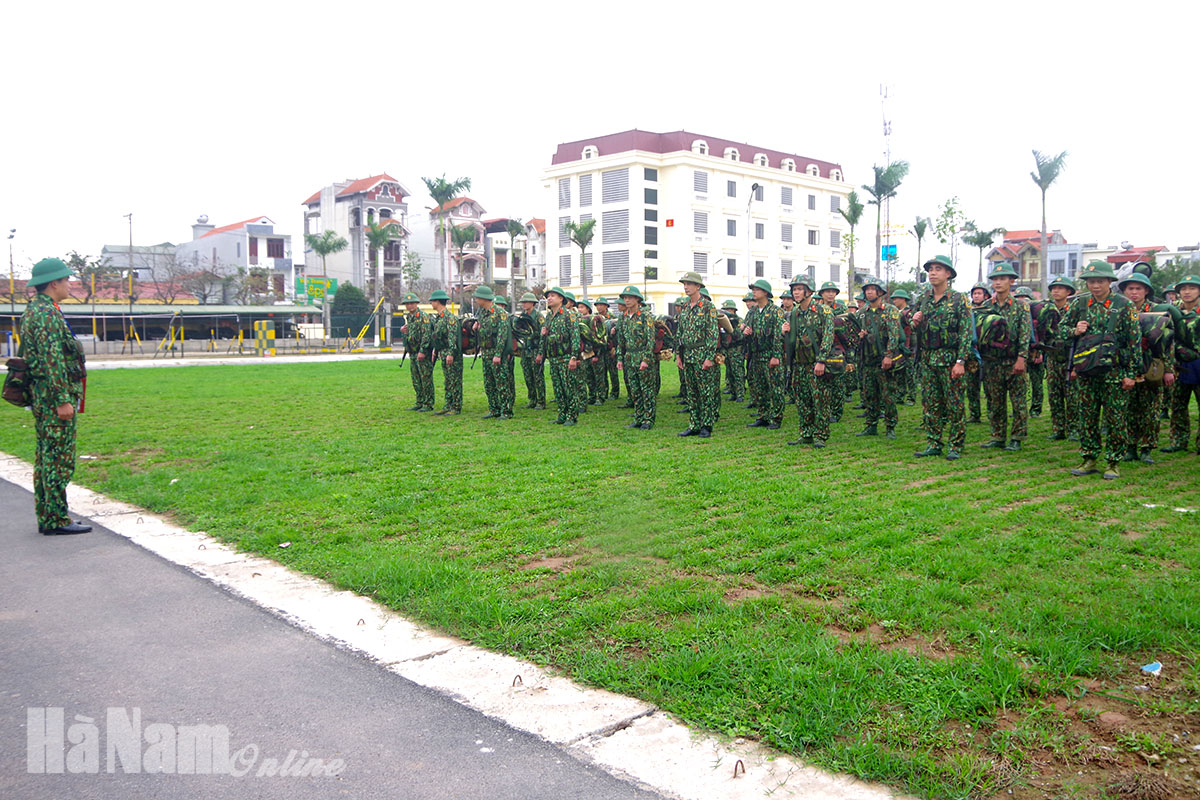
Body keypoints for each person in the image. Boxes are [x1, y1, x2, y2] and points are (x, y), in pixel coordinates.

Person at [20, 258, 92, 535]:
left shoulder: (36, 310)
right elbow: (52, 361)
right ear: (54, 283)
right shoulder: (46, 314)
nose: (69, 284)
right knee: (57, 460)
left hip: (43, 396)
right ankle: (55, 520)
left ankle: (51, 515)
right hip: (53, 399)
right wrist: (62, 400)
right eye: (66, 280)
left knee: (46, 458)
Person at [1059, 260, 1140, 480]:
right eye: (1091, 281)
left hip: (1114, 372)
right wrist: (1074, 330)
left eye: (1100, 281)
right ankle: (1089, 458)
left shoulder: (1124, 305)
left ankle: (1113, 462)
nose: (1095, 286)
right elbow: (1060, 330)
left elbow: (1134, 342)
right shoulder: (1080, 304)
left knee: (1115, 419)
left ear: (1109, 282)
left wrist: (1131, 374)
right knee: (1088, 417)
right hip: (1087, 372)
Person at [911, 255, 971, 460]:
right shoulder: (924, 298)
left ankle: (956, 445)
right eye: (930, 269)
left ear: (948, 274)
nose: (933, 273)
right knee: (930, 403)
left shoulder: (958, 299)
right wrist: (914, 320)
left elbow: (966, 332)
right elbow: (913, 324)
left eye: (938, 269)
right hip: (928, 359)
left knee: (954, 404)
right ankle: (934, 442)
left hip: (949, 359)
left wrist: (961, 361)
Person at [1119, 273, 1174, 463]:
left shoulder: (1158, 311)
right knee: (1128, 408)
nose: (1134, 293)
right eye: (1130, 289)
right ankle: (1130, 447)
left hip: (1153, 364)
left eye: (1138, 288)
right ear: (1124, 291)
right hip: (1127, 366)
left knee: (1151, 408)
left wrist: (1168, 370)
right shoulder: (1119, 310)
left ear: (1146, 291)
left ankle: (1146, 448)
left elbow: (1167, 343)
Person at [978, 262, 1032, 452]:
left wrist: (1022, 358)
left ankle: (1017, 437)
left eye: (1002, 279)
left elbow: (1025, 334)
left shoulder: (1020, 306)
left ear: (1012, 281)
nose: (998, 283)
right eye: (995, 279)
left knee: (1018, 401)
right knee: (995, 400)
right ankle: (998, 435)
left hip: (1012, 360)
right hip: (992, 361)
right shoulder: (985, 306)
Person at [782, 275, 835, 448]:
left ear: (809, 291)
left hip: (816, 362)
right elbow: (792, 340)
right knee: (802, 400)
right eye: (794, 289)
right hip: (800, 363)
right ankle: (806, 433)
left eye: (799, 289)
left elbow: (828, 337)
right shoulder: (795, 313)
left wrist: (821, 360)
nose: (795, 292)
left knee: (820, 400)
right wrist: (785, 332)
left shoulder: (823, 311)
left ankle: (821, 434)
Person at [854, 276, 903, 438]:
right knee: (870, 395)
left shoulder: (890, 310)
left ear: (880, 292)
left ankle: (890, 427)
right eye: (867, 290)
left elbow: (894, 335)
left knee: (887, 395)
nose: (869, 292)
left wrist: (889, 356)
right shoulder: (863, 313)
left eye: (872, 289)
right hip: (868, 360)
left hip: (884, 360)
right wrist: (861, 336)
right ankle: (871, 425)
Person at [675, 272, 720, 437]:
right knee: (692, 392)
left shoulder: (708, 307)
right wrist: (679, 355)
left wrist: (709, 357)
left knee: (705, 391)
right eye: (684, 284)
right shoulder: (685, 306)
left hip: (702, 354)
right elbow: (679, 333)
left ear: (698, 286)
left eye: (689, 284)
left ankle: (706, 425)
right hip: (688, 354)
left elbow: (712, 334)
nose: (686, 287)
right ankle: (694, 424)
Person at [1163, 274, 1200, 454]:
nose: (1187, 292)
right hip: (1178, 363)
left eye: (1192, 288)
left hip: (1198, 361)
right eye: (1183, 289)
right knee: (1177, 404)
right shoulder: (1172, 310)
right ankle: (1178, 440)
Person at [1038, 277, 1077, 440]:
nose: (1056, 291)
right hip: (1053, 357)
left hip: (1071, 357)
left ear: (1068, 292)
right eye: (1054, 288)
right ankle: (1058, 428)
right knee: (1054, 394)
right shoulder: (1047, 310)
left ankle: (1074, 428)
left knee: (1073, 395)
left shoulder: (1074, 310)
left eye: (1060, 288)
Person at [744, 279, 785, 430]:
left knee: (775, 388)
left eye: (757, 289)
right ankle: (763, 416)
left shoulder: (775, 311)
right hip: (756, 354)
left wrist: (776, 356)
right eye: (753, 289)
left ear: (766, 293)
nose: (754, 292)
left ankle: (777, 418)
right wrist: (745, 332)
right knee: (760, 388)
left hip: (770, 354)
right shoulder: (752, 312)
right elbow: (745, 328)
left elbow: (778, 335)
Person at [538, 287, 581, 425]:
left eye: (552, 296)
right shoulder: (549, 316)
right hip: (554, 358)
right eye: (548, 296)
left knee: (569, 388)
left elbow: (575, 336)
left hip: (566, 357)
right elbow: (545, 337)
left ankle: (571, 416)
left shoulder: (569, 315)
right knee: (558, 389)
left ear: (561, 298)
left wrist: (574, 357)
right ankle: (562, 414)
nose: (549, 298)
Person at [616, 285, 657, 429]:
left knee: (647, 389)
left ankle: (648, 419)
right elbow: (621, 340)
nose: (627, 300)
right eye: (625, 298)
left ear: (637, 299)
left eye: (630, 298)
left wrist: (646, 359)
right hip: (629, 356)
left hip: (642, 355)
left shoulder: (645, 315)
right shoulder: (623, 317)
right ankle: (638, 417)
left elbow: (651, 339)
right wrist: (620, 358)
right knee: (634, 389)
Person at [473, 285, 514, 419]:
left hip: (497, 354)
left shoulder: (499, 313)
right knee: (489, 384)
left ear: (484, 298)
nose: (476, 300)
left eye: (477, 297)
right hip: (486, 353)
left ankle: (506, 411)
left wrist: (498, 354)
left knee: (501, 383)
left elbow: (502, 335)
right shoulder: (482, 313)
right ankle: (494, 409)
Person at [429, 289, 462, 415]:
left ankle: (456, 406)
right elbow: (438, 337)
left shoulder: (450, 318)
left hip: (451, 354)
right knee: (447, 380)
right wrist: (435, 351)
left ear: (438, 302)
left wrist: (451, 353)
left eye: (432, 301)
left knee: (454, 380)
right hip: (443, 353)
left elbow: (452, 337)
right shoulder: (439, 318)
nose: (431, 303)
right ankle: (448, 404)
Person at [401, 292, 435, 412]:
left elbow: (427, 335)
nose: (409, 306)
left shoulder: (423, 317)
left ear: (416, 304)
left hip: (422, 353)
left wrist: (423, 350)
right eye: (407, 304)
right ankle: (419, 401)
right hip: (413, 352)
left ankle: (428, 403)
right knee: (416, 378)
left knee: (425, 378)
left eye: (412, 303)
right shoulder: (409, 318)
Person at [1014, 286, 1045, 418]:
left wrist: (1041, 352)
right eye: (1019, 298)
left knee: (1037, 382)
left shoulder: (1039, 314)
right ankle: (1021, 409)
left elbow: (1043, 334)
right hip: (1021, 354)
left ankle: (1036, 409)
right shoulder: (1015, 315)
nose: (1022, 301)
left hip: (1036, 352)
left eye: (1024, 298)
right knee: (1020, 383)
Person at [515, 292, 546, 409]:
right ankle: (532, 399)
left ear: (532, 303)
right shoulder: (522, 316)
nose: (524, 304)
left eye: (526, 302)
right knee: (528, 376)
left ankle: (541, 401)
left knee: (538, 376)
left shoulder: (539, 317)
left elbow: (543, 336)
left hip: (535, 349)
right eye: (523, 302)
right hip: (525, 350)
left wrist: (540, 353)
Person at [966, 283, 991, 424]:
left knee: (989, 386)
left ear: (985, 295)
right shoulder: (967, 311)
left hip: (987, 352)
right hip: (972, 353)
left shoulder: (990, 310)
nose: (976, 296)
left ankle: (992, 413)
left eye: (979, 293)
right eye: (974, 293)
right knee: (971, 385)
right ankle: (975, 414)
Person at [890, 288, 918, 405]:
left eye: (896, 298)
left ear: (903, 299)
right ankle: (900, 395)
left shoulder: (908, 312)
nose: (894, 301)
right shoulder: (896, 312)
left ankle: (911, 397)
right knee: (899, 371)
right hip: (899, 347)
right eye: (893, 299)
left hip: (909, 347)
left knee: (910, 373)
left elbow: (913, 326)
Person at [594, 297, 621, 401]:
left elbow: (617, 334)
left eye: (601, 305)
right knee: (602, 372)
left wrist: (614, 347)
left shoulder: (613, 317)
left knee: (613, 371)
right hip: (601, 349)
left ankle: (615, 392)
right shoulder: (595, 318)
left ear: (606, 306)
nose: (599, 307)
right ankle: (603, 392)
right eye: (597, 305)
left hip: (611, 348)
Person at [719, 299, 745, 402]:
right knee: (729, 372)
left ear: (734, 310)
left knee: (737, 372)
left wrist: (732, 327)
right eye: (725, 309)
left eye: (729, 309)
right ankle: (733, 392)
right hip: (727, 349)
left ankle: (740, 394)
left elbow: (739, 336)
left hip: (736, 349)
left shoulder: (739, 321)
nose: (726, 311)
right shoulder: (722, 321)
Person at [495, 296, 518, 416]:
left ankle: (510, 400)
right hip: (498, 352)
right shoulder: (494, 317)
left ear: (503, 306)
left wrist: (510, 352)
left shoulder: (509, 318)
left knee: (508, 378)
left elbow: (511, 336)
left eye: (499, 305)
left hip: (508, 351)